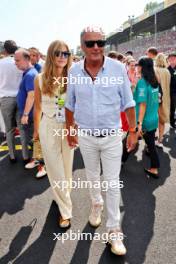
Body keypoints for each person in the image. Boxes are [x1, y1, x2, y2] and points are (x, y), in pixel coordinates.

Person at [65, 27, 137, 256]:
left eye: (100, 42)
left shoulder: (118, 68)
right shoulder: (74, 71)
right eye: (90, 43)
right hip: (85, 137)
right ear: (82, 46)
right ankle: (96, 204)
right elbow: (69, 104)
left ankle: (114, 229)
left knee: (113, 182)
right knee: (92, 176)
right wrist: (69, 130)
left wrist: (134, 130)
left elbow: (128, 102)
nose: (96, 47)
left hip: (112, 137)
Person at [33, 40, 73, 228]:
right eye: (58, 53)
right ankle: (65, 211)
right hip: (48, 126)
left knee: (66, 167)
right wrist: (36, 130)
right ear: (50, 55)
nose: (62, 57)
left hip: (68, 127)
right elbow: (38, 107)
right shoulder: (40, 78)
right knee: (55, 169)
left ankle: (62, 196)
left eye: (65, 53)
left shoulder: (74, 77)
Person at [134, 57, 160, 178]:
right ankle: (122, 160)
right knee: (150, 145)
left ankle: (154, 168)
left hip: (144, 120)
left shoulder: (142, 83)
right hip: (153, 117)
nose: (137, 67)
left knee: (150, 145)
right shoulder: (155, 80)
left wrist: (139, 123)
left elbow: (142, 105)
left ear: (142, 67)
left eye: (138, 65)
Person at [0, 40, 22, 162]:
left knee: (9, 129)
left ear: (5, 49)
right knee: (23, 129)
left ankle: (12, 156)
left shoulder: (1, 63)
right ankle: (25, 155)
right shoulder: (19, 62)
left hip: (5, 98)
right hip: (19, 98)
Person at [15, 48, 38, 164]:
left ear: (27, 59)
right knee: (31, 139)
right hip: (28, 114)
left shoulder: (30, 75)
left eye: (18, 60)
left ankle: (39, 162)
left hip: (28, 115)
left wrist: (25, 114)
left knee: (32, 139)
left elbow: (32, 95)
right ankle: (37, 161)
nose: (15, 63)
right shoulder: (29, 73)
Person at [155, 53, 171, 147]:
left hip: (156, 98)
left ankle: (154, 138)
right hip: (165, 97)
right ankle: (160, 139)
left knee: (154, 118)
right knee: (162, 119)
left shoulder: (155, 70)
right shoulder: (167, 71)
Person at [167, 52, 176, 128]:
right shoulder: (167, 69)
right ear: (168, 60)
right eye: (170, 59)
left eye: (173, 58)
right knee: (172, 108)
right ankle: (172, 122)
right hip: (171, 92)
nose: (172, 60)